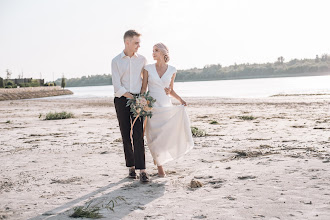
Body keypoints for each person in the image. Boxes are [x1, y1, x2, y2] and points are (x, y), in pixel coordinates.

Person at [141, 43, 194, 177]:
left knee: (164, 137)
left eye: (156, 50)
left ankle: (159, 158)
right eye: (153, 50)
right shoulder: (147, 68)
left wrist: (180, 100)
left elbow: (170, 90)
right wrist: (141, 103)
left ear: (164, 52)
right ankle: (160, 168)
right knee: (153, 138)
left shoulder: (172, 70)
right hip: (152, 107)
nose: (153, 53)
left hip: (166, 107)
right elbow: (143, 89)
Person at [112, 30, 149, 183]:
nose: (139, 46)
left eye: (139, 43)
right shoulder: (116, 61)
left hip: (138, 99)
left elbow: (144, 79)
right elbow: (117, 87)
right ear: (127, 42)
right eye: (136, 43)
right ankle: (131, 168)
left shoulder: (142, 60)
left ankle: (143, 171)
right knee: (126, 134)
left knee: (138, 134)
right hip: (122, 100)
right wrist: (132, 97)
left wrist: (141, 96)